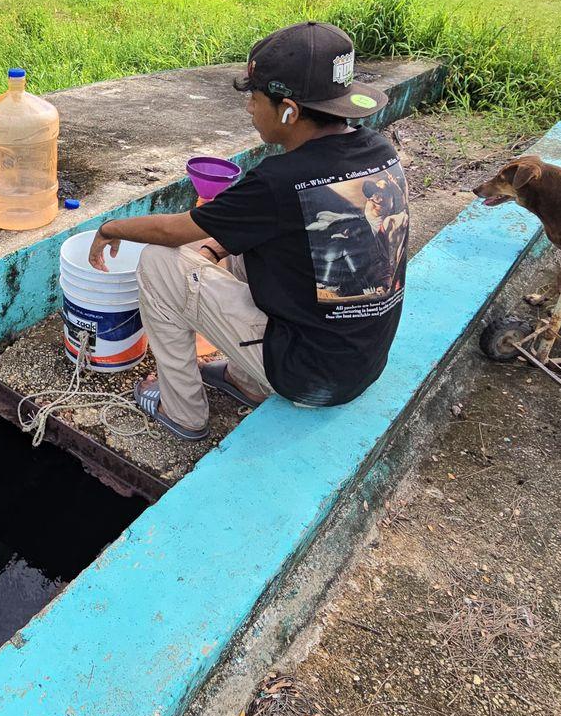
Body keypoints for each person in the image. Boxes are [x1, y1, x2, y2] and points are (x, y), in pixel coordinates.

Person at [88, 22, 410, 440]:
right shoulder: (378, 152)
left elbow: (173, 233)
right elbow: (262, 227)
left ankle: (181, 411)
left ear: (289, 110)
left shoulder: (279, 180)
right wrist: (214, 250)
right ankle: (248, 381)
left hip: (308, 377)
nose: (249, 110)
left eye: (255, 99)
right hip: (359, 361)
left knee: (159, 262)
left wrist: (112, 228)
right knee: (234, 246)